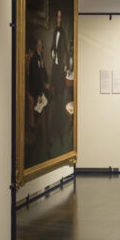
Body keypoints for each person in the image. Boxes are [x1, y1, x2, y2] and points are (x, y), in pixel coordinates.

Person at [49, 8, 69, 144]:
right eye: (57, 17)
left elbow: (66, 51)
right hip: (54, 70)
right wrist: (52, 52)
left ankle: (60, 133)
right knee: (53, 102)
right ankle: (54, 131)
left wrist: (66, 67)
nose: (59, 20)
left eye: (60, 18)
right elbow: (53, 47)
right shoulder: (55, 31)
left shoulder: (63, 33)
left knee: (60, 103)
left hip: (60, 72)